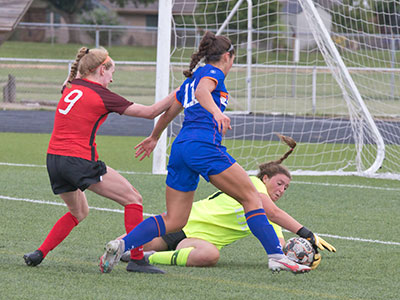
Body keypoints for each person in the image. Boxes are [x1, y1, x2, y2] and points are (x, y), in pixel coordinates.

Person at [99, 31, 335, 274]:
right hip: (203, 146)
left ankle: (122, 244)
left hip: (181, 149)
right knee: (251, 198)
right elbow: (203, 92)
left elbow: (170, 111)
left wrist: (155, 136)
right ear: (227, 56)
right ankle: (276, 257)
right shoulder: (212, 73)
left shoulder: (190, 81)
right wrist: (217, 112)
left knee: (175, 220)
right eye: (234, 59)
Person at [23, 46, 176, 274]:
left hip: (54, 161)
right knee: (134, 199)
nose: (112, 79)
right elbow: (151, 112)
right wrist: (182, 90)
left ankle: (39, 253)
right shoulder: (101, 94)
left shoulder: (70, 86)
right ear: (101, 69)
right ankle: (136, 260)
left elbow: (74, 78)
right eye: (111, 72)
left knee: (79, 212)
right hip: (78, 161)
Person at [118, 135, 329, 269]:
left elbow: (280, 246)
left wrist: (304, 253)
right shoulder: (253, 184)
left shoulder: (270, 217)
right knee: (121, 243)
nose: (282, 190)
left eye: (286, 187)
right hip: (183, 224)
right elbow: (273, 212)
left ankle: (149, 258)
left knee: (210, 255)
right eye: (280, 183)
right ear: (265, 178)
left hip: (198, 244)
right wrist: (306, 233)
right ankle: (134, 249)